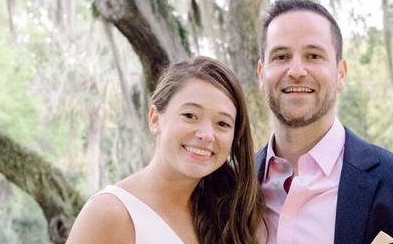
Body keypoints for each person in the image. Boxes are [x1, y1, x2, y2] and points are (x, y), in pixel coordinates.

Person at [255, 0, 393, 244]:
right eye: (281, 56)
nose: (296, 71)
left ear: (341, 73)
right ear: (262, 74)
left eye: (313, 55)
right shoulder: (228, 191)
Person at [66, 56, 263, 244]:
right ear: (154, 119)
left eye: (222, 123)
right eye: (190, 115)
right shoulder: (110, 213)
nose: (206, 134)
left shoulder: (226, 214)